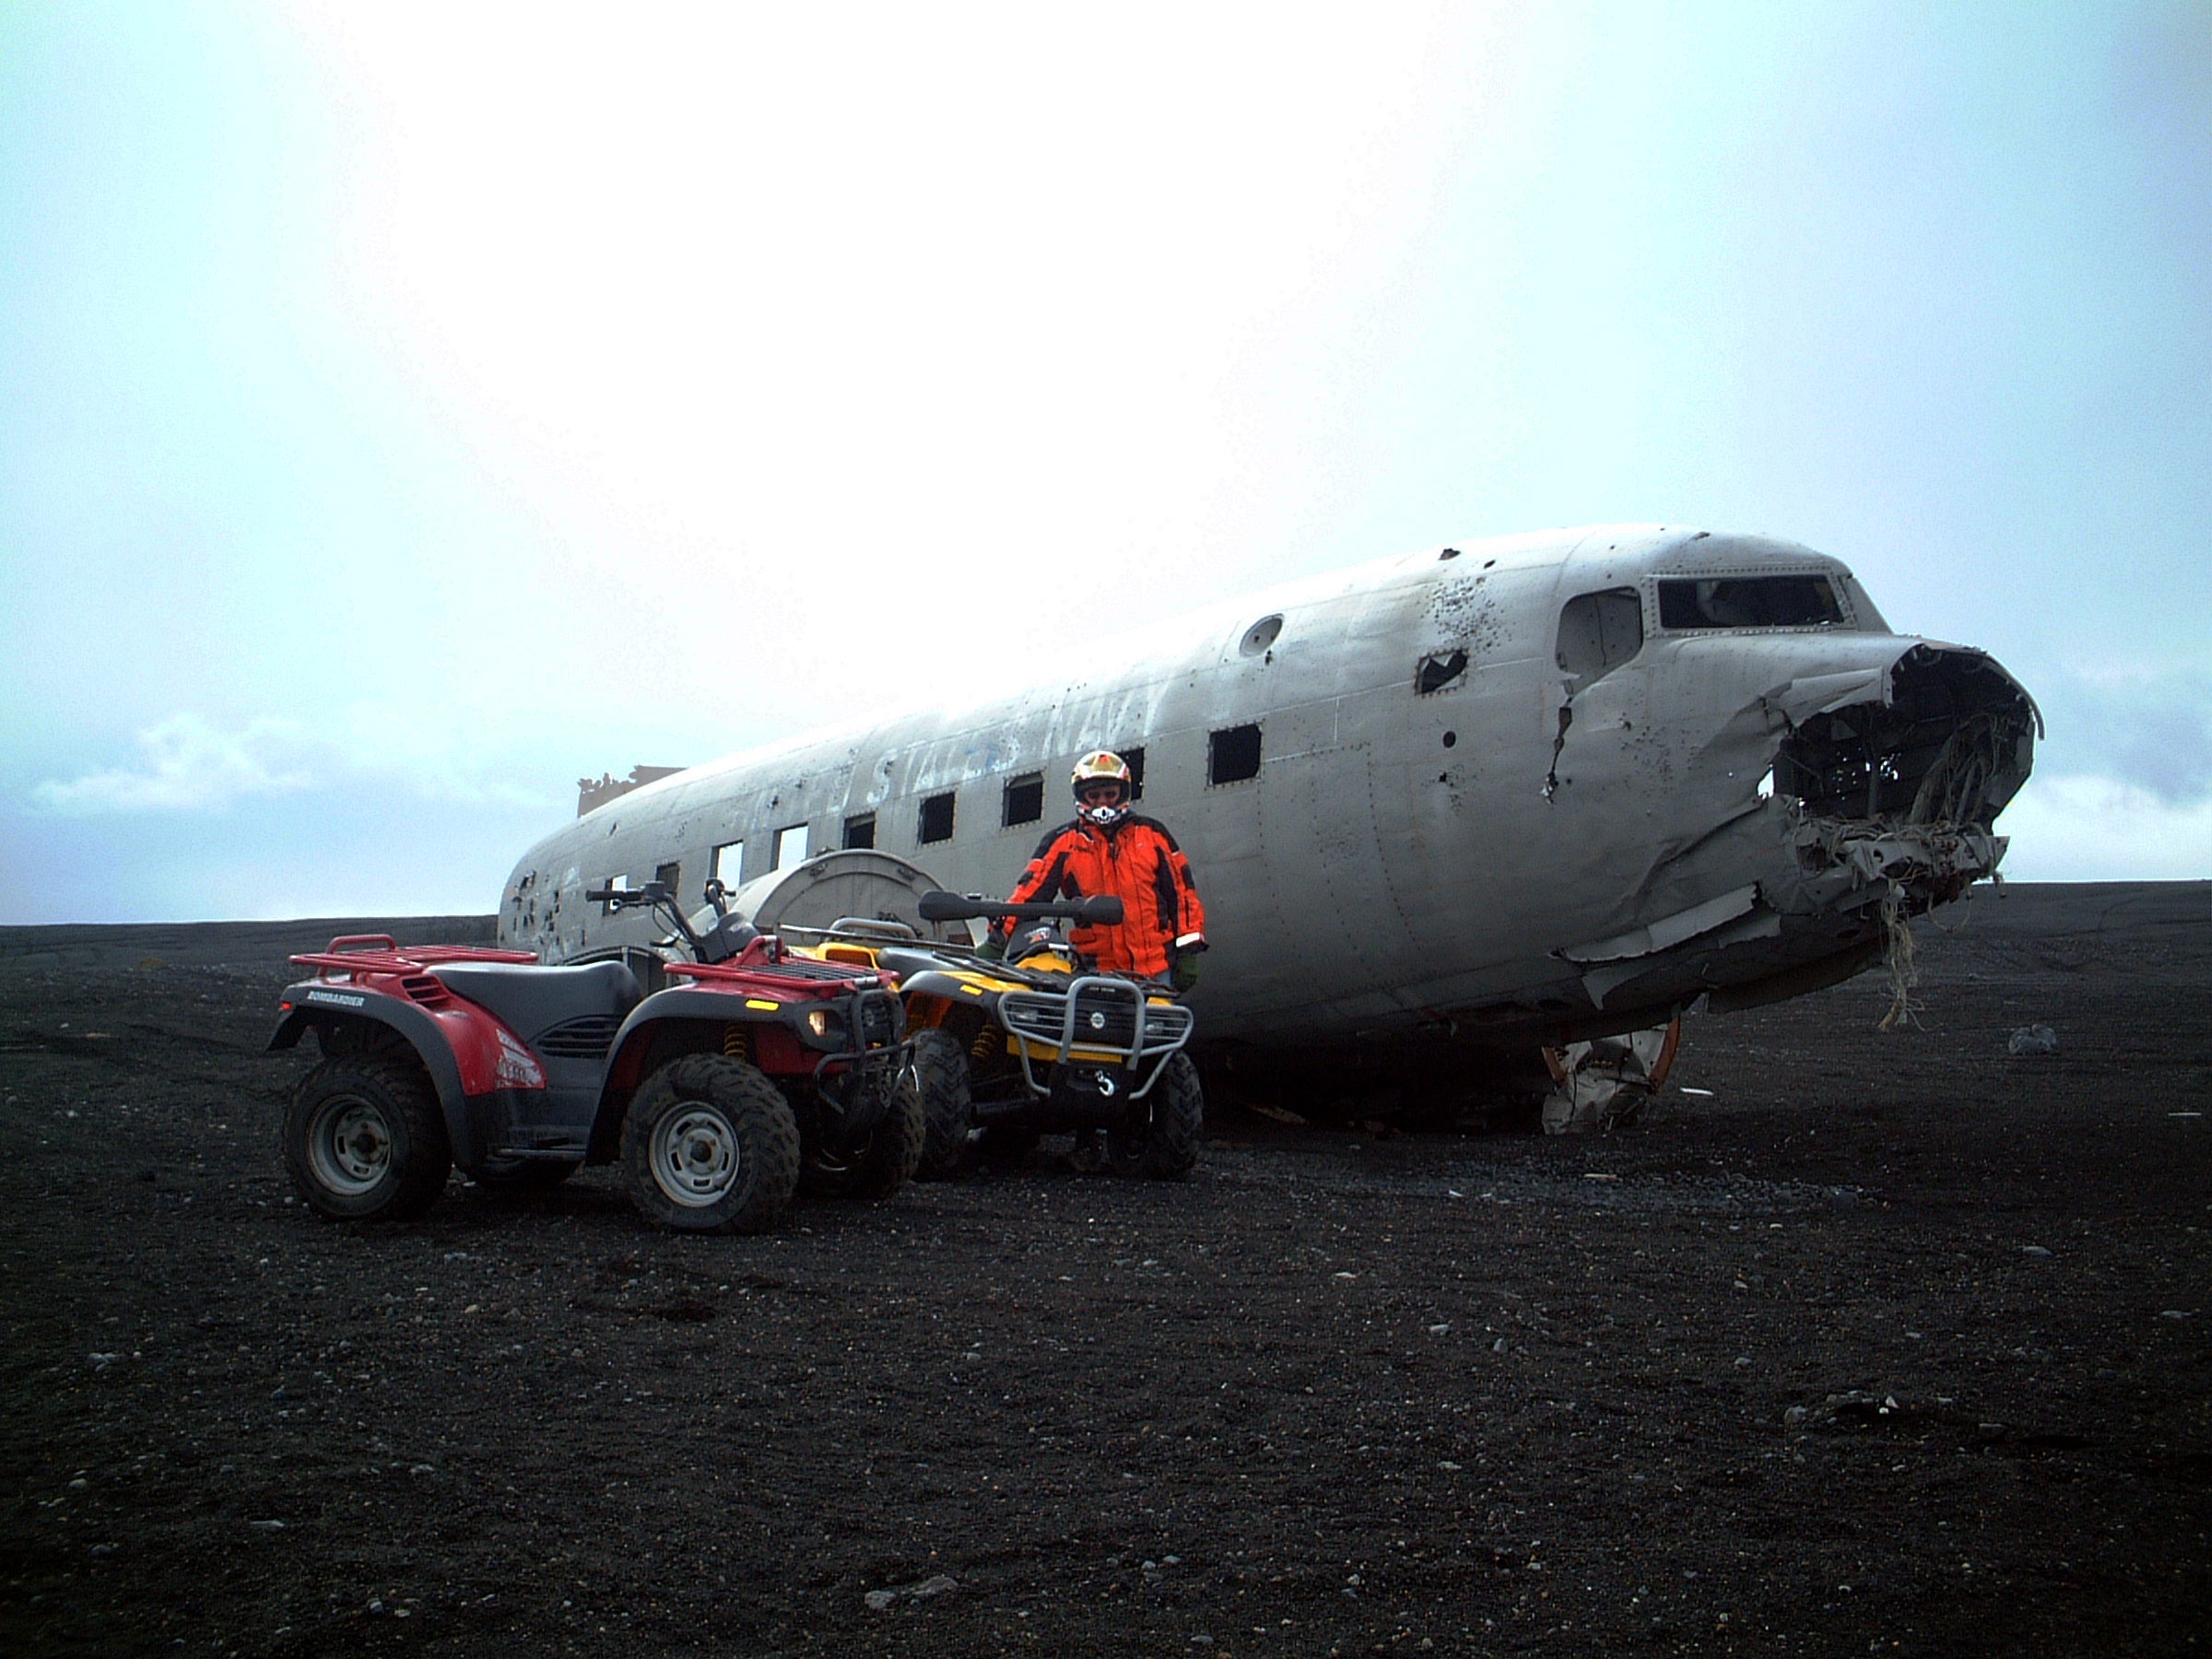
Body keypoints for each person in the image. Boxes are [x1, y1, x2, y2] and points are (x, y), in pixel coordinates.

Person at [979, 750, 1207, 988]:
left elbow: (1183, 896)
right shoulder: (1064, 843)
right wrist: (997, 940)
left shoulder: (1153, 836)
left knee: (1154, 1024)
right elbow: (1028, 894)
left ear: (1123, 793)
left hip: (1155, 970)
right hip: (1096, 972)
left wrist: (1189, 951)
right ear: (1082, 797)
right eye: (1094, 795)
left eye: (1110, 794)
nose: (1102, 802)